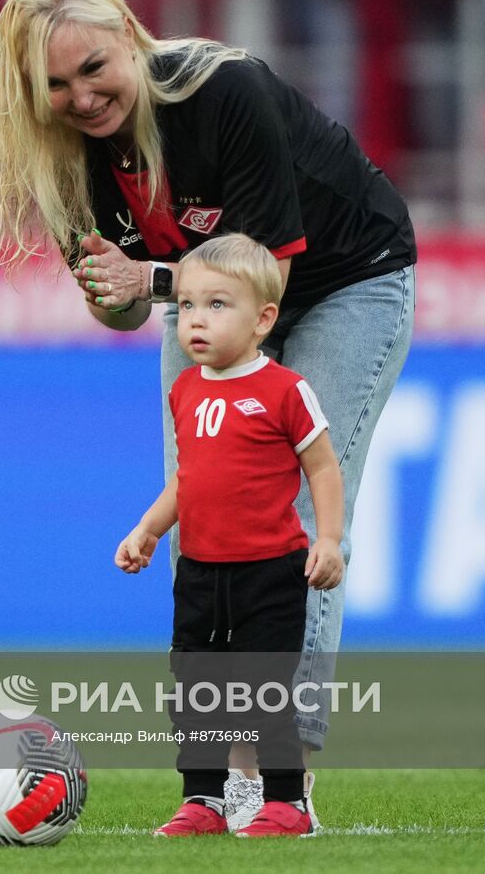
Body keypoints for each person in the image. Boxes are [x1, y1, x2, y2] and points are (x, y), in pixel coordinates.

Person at [0, 0, 415, 830]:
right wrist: (113, 295)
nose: (81, 97)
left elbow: (267, 278)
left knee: (289, 507)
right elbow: (123, 310)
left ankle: (277, 772)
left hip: (345, 280)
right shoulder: (65, 154)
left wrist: (145, 277)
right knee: (207, 518)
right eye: (56, 85)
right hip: (203, 300)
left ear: (131, 41)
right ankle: (223, 768)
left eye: (95, 68)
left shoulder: (226, 92)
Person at [115, 234, 344, 838]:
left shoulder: (284, 390)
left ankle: (286, 803)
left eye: (218, 305)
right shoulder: (185, 390)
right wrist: (148, 529)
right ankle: (203, 801)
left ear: (263, 318)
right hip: (199, 570)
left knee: (265, 689)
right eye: (187, 306)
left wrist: (329, 540)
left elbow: (322, 465)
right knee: (196, 689)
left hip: (269, 570)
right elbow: (188, 479)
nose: (196, 320)